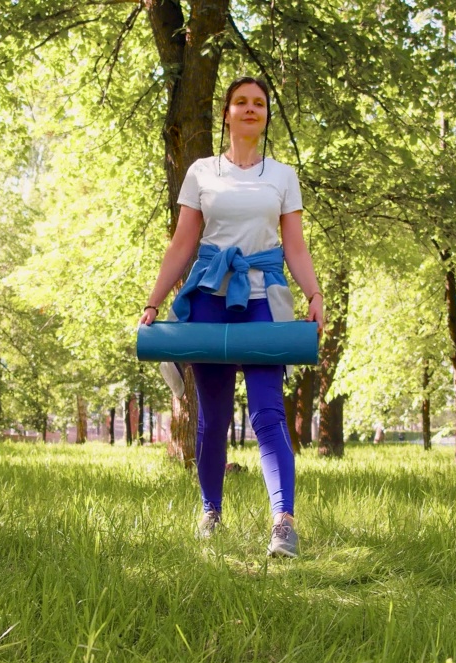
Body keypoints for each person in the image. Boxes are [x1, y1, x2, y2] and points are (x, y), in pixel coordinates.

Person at [139, 76, 324, 558]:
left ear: (265, 116)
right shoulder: (202, 172)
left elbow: (295, 246)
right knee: (213, 417)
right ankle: (210, 513)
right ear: (226, 114)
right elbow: (182, 243)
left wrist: (315, 293)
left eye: (258, 103)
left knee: (268, 412)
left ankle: (283, 523)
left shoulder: (282, 176)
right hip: (209, 299)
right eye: (240, 102)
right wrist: (154, 303)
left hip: (264, 299)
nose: (249, 109)